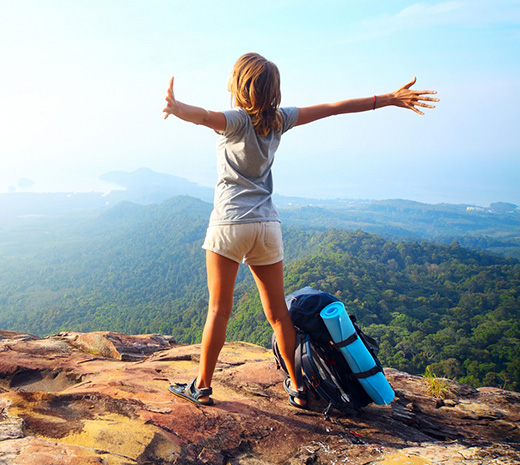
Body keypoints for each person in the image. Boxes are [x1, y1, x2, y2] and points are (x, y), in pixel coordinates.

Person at [164, 52, 438, 407]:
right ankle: (298, 387)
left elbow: (202, 116)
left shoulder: (234, 120)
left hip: (230, 223)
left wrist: (176, 106)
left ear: (239, 86)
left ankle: (201, 385)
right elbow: (334, 107)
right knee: (278, 313)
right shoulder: (280, 120)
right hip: (267, 225)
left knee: (219, 310)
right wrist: (387, 99)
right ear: (273, 90)